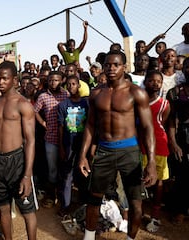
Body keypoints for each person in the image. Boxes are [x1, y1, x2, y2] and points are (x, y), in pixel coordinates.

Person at [78, 50, 157, 240]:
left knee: (136, 203)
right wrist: (83, 155)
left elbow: (148, 128)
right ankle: (88, 237)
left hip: (129, 151)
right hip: (104, 150)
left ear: (124, 67)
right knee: (94, 198)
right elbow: (90, 125)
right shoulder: (96, 93)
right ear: (103, 67)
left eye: (116, 65)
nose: (111, 68)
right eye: (108, 65)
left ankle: (131, 238)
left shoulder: (136, 92)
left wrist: (151, 161)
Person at [0, 61, 38, 240]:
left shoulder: (23, 104)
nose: (0, 81)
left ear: (14, 79)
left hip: (17, 161)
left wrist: (27, 175)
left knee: (27, 210)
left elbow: (30, 141)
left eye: (5, 78)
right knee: (3, 208)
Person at [34, 71, 69, 208]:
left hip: (66, 138)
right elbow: (34, 111)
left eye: (56, 80)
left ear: (61, 80)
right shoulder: (43, 96)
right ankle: (51, 195)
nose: (53, 83)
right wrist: (42, 123)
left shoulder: (66, 95)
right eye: (51, 80)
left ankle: (64, 197)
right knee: (52, 169)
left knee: (64, 168)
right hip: (50, 138)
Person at [142, 70, 170, 232]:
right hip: (140, 145)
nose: (155, 83)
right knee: (140, 180)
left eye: (159, 81)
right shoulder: (139, 101)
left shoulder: (165, 104)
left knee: (158, 181)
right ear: (145, 82)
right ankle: (138, 212)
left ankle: (155, 214)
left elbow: (163, 123)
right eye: (152, 81)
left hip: (159, 145)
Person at [57, 75, 88, 217]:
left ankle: (83, 203)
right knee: (67, 176)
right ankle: (65, 205)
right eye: (68, 84)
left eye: (74, 84)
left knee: (82, 175)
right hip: (68, 144)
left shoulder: (86, 104)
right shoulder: (63, 105)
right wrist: (62, 147)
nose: (71, 87)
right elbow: (61, 128)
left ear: (79, 86)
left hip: (83, 145)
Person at [166, 57, 189, 224]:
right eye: (187, 67)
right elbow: (171, 121)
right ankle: (180, 210)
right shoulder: (174, 92)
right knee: (182, 176)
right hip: (182, 137)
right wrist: (173, 143)